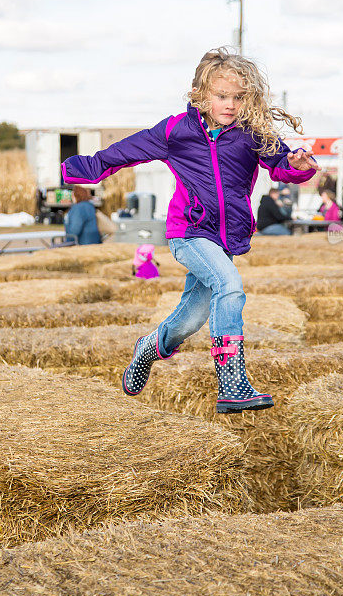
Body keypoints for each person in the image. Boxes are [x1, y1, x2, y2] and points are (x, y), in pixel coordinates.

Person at [61, 46, 320, 414]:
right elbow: (124, 152)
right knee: (229, 285)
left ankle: (150, 346)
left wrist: (297, 164)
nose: (230, 104)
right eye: (221, 96)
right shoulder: (176, 131)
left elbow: (281, 165)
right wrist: (78, 168)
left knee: (191, 320)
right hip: (189, 232)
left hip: (226, 237)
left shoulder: (251, 133)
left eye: (238, 97)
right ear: (200, 94)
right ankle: (232, 382)